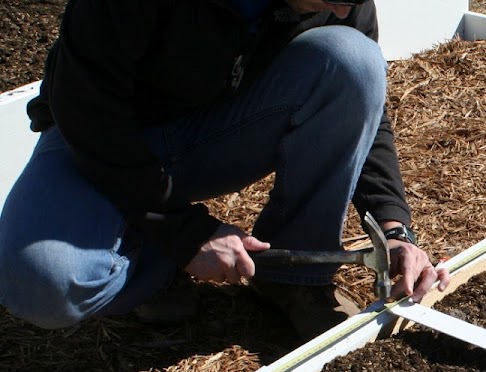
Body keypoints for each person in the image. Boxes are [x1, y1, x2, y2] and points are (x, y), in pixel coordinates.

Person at [0, 0, 449, 340]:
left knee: (354, 59)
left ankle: (292, 278)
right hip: (102, 135)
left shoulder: (343, 3)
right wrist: (183, 235)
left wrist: (394, 228)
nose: (344, 9)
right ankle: (154, 267)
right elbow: (87, 111)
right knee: (42, 286)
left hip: (215, 133)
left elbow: (363, 107)